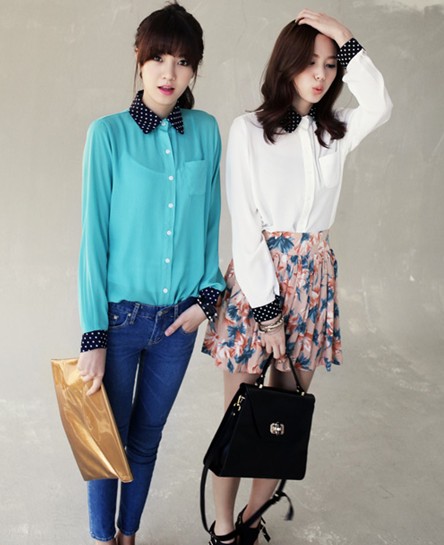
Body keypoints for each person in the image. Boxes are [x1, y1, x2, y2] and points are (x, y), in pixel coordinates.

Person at [203, 9, 392, 545]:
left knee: (281, 420)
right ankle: (222, 527)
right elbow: (246, 228)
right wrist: (268, 316)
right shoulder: (248, 130)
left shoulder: (335, 132)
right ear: (286, 64)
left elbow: (380, 103)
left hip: (313, 283)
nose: (321, 74)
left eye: (330, 64)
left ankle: (250, 521)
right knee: (239, 416)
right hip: (257, 284)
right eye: (310, 62)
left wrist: (346, 38)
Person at [76, 2, 224, 544]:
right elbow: (93, 241)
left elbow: (210, 224)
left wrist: (206, 301)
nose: (169, 72)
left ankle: (129, 534)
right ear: (139, 61)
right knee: (104, 439)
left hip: (177, 324)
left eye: (183, 62)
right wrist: (94, 334)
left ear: (194, 71)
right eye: (159, 58)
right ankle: (102, 538)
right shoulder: (107, 135)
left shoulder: (206, 132)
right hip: (118, 320)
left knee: (146, 439)